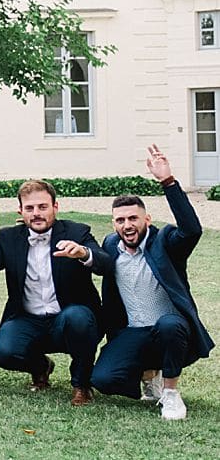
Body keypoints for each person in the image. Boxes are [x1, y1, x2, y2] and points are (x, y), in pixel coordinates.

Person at [91, 145, 214, 420]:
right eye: (120, 220)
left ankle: (170, 393)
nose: (127, 225)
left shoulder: (166, 242)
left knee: (169, 324)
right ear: (113, 225)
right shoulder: (111, 246)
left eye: (133, 218)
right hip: (133, 331)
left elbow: (192, 229)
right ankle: (149, 374)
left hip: (171, 330)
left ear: (146, 219)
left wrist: (168, 182)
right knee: (102, 380)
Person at [0, 179, 110, 405]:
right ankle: (41, 366)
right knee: (3, 351)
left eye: (42, 207)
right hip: (28, 319)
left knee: (78, 317)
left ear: (55, 207)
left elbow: (105, 263)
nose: (36, 213)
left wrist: (83, 253)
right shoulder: (9, 237)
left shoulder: (76, 231)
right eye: (30, 208)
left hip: (69, 319)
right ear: (21, 211)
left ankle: (81, 384)